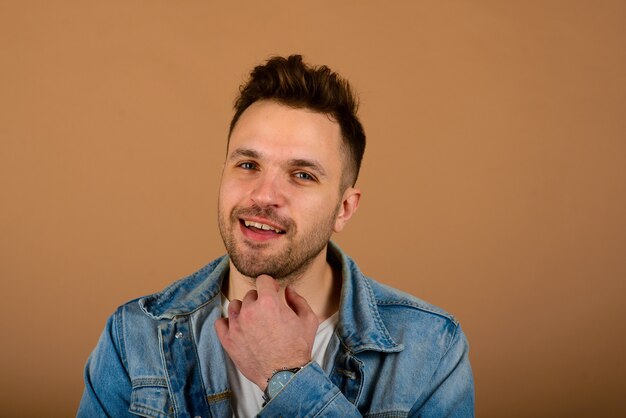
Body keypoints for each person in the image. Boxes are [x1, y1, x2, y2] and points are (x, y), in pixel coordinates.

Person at [78, 54, 474, 418]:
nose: (264, 195)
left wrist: (287, 375)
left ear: (344, 208)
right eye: (248, 164)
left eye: (302, 175)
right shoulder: (135, 335)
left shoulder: (431, 347)